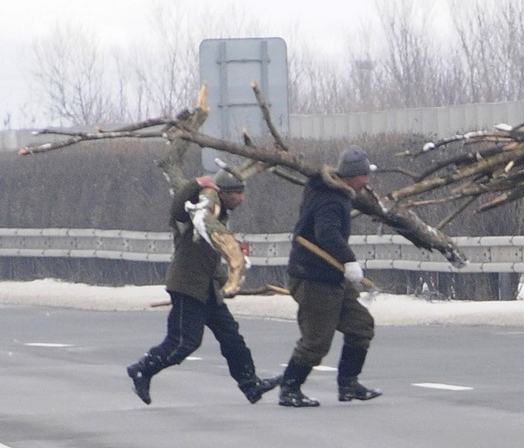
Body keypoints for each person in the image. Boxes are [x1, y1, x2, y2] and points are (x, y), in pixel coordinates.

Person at [126, 169, 280, 405]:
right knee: (182, 342)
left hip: (208, 290)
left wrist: (227, 282)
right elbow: (176, 208)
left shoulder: (218, 219)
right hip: (187, 287)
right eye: (236, 194)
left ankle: (250, 384)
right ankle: (142, 369)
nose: (241, 199)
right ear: (223, 194)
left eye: (242, 193)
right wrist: (195, 183)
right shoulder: (193, 215)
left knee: (232, 338)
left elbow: (210, 258)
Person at [278, 145, 382, 407]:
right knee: (316, 341)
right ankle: (289, 389)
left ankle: (348, 385)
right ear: (351, 176)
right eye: (363, 176)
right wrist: (349, 260)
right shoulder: (330, 198)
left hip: (331, 276)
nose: (367, 181)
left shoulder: (336, 191)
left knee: (360, 326)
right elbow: (326, 234)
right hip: (313, 277)